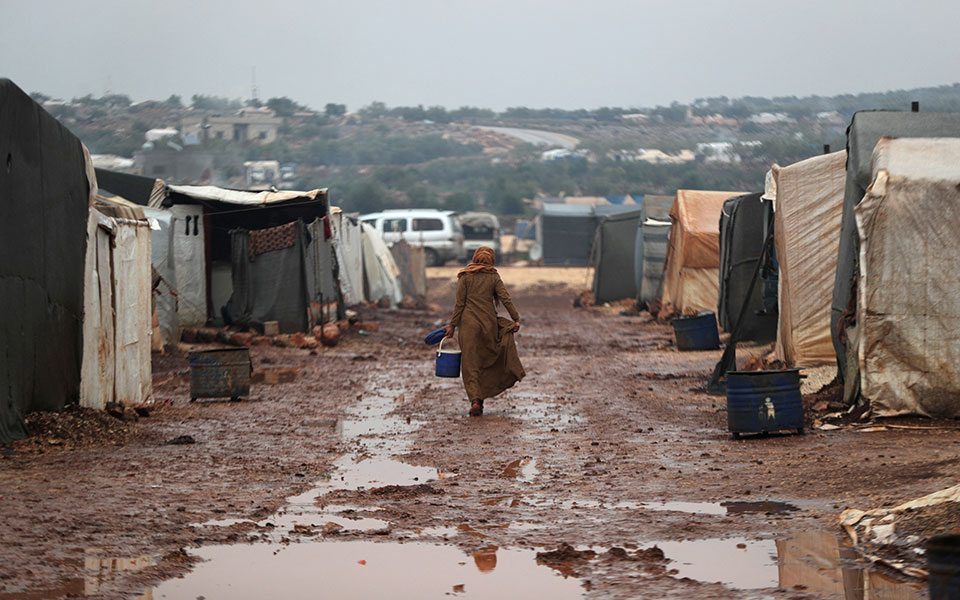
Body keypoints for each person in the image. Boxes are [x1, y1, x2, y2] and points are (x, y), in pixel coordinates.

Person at [444, 247, 525, 416]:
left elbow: (459, 305)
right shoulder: (493, 277)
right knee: (486, 360)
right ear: (491, 260)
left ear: (474, 259)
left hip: (468, 326)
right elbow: (505, 298)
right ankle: (482, 396)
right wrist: (515, 318)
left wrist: (452, 325)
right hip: (489, 325)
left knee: (470, 363)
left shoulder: (465, 277)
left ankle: (475, 400)